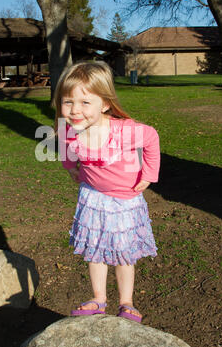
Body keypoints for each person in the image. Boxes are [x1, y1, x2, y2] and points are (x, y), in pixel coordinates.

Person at [53, 61, 160, 323]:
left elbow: (152, 139)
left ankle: (126, 302)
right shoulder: (70, 129)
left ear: (104, 104)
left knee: (124, 254)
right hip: (93, 198)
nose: (75, 110)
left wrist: (148, 173)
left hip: (125, 200)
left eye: (85, 103)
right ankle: (99, 298)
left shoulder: (124, 132)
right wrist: (70, 167)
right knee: (95, 250)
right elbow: (66, 144)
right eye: (68, 102)